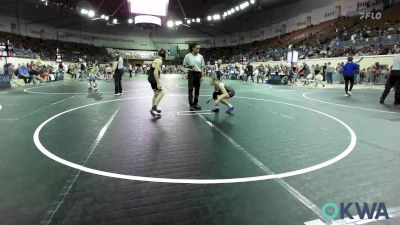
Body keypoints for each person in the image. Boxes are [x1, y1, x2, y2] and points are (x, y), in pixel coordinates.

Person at [183, 43, 205, 111]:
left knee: (197, 90)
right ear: (193, 48)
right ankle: (191, 105)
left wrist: (202, 74)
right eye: (197, 48)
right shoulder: (187, 56)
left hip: (198, 74)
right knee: (190, 89)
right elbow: (184, 65)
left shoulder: (200, 56)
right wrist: (189, 66)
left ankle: (196, 104)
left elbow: (202, 66)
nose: (198, 49)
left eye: (199, 48)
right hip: (191, 73)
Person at [148, 49, 167, 117]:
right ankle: (154, 108)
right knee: (161, 93)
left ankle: (153, 109)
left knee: (156, 94)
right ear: (164, 55)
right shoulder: (160, 61)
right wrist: (158, 83)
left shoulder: (156, 59)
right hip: (153, 79)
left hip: (150, 78)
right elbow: (155, 72)